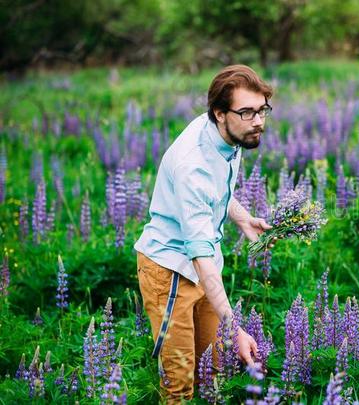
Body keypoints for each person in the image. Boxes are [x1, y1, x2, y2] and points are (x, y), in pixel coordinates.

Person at [134, 64, 274, 402]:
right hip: (171, 273)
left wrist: (241, 218)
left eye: (262, 110)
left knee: (213, 370)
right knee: (180, 382)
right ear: (220, 113)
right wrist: (235, 328)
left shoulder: (230, 136)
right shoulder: (192, 163)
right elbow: (199, 257)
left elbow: (215, 190)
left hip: (202, 264)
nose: (258, 121)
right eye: (247, 112)